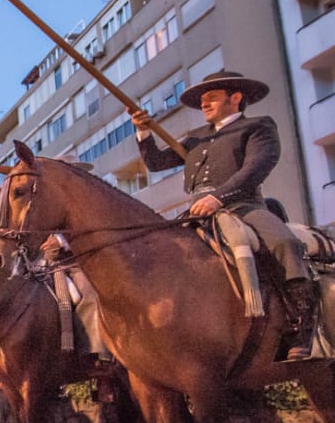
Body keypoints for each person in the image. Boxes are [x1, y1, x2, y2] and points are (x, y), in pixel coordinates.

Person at [129, 70, 317, 361]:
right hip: (196, 211)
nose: (204, 105)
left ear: (236, 98)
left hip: (243, 206)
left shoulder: (258, 127)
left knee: (284, 244)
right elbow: (156, 163)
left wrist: (218, 197)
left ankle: (302, 325)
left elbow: (256, 166)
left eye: (212, 98)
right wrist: (143, 131)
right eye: (203, 100)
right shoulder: (195, 138)